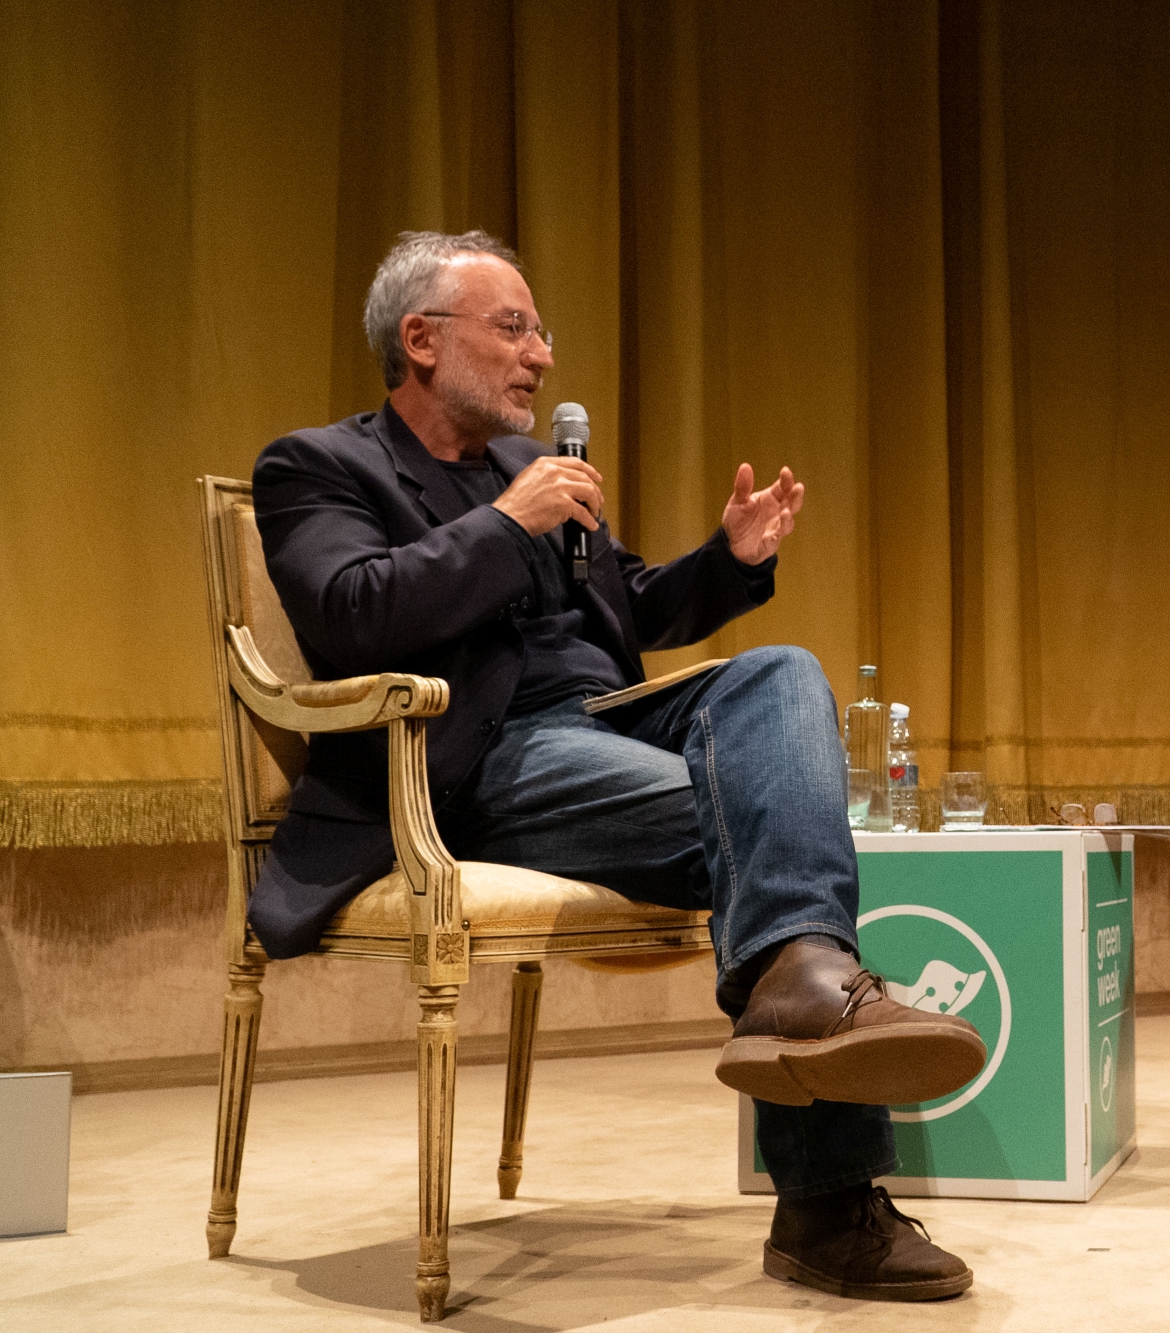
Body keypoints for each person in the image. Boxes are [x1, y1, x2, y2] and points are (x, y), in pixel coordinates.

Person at [250, 229, 981, 1301]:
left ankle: (802, 997)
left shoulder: (523, 470)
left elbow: (623, 609)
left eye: (540, 331)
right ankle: (827, 1197)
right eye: (512, 327)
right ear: (419, 339)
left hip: (607, 721)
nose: (539, 354)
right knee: (780, 828)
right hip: (480, 756)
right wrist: (508, 524)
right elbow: (352, 616)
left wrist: (726, 563)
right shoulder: (319, 466)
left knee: (777, 672)